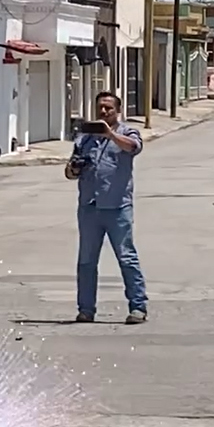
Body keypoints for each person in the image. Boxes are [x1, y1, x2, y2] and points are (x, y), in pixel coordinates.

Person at [67, 90, 147, 325]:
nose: (103, 111)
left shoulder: (126, 132)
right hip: (90, 207)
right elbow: (70, 170)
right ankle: (86, 309)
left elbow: (133, 147)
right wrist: (74, 169)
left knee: (126, 258)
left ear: (117, 111)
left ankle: (138, 307)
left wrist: (110, 134)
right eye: (100, 107)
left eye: (108, 108)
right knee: (86, 261)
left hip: (117, 207)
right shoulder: (84, 138)